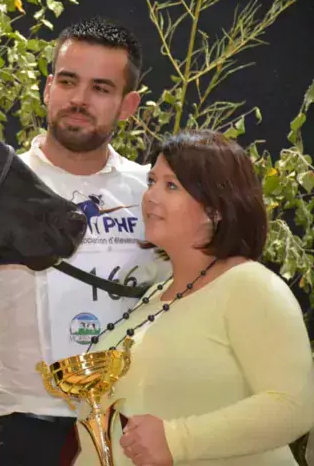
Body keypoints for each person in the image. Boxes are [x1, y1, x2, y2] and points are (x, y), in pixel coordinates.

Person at [0, 17, 172, 465]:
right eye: (69, 81)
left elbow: (184, 305)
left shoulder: (149, 193)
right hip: (27, 433)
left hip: (133, 429)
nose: (79, 100)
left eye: (101, 88)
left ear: (128, 105)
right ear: (48, 88)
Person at [76, 130, 314, 466]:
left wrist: (178, 439)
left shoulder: (250, 286)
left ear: (216, 209)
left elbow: (295, 405)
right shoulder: (156, 297)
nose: (151, 196)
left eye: (171, 186)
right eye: (152, 181)